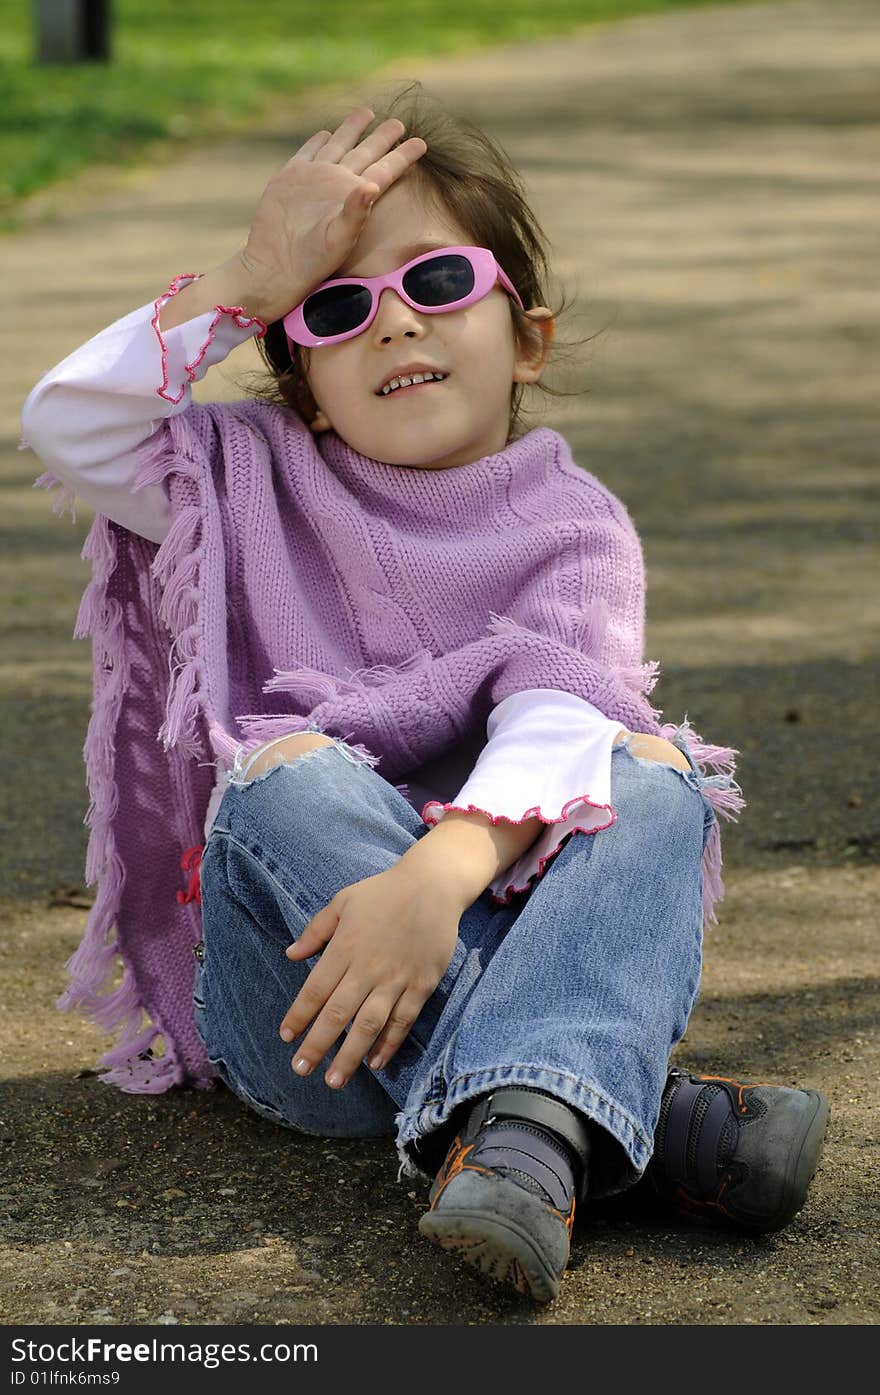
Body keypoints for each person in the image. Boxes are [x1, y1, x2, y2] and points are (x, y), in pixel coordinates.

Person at [22, 85, 828, 1304]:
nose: (394, 326)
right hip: (309, 1015)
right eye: (338, 307)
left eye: (437, 283)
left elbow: (558, 720)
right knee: (284, 773)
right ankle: (599, 1106)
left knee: (645, 773)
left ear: (530, 338)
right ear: (299, 381)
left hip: (473, 927)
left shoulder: (574, 531)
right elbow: (69, 422)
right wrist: (248, 278)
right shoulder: (244, 482)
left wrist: (436, 878)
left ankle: (520, 1138)